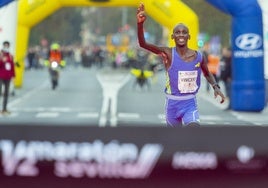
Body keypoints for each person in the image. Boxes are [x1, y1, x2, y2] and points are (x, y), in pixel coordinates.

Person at [136, 3, 225, 127]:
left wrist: (216, 87)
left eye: (184, 32)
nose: (181, 35)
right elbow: (143, 44)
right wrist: (140, 24)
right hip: (172, 105)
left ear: (189, 36)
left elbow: (207, 73)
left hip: (190, 103)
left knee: (194, 129)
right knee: (175, 142)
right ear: (173, 37)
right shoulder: (168, 53)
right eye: (177, 32)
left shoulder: (198, 56)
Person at [0, 41, 15, 115]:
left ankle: (4, 108)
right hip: (1, 76)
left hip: (8, 76)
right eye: (5, 45)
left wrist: (13, 76)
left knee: (6, 93)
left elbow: (12, 66)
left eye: (7, 46)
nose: (6, 47)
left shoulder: (10, 56)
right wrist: (2, 61)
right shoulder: (0, 55)